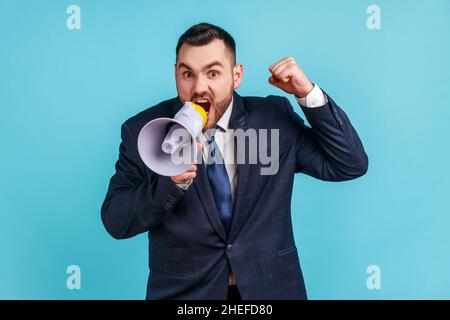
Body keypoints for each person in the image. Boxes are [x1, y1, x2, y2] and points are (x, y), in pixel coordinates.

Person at [101, 22, 368, 300]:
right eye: (187, 74)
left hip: (271, 290)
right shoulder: (144, 129)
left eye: (213, 73)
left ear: (236, 75)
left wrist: (306, 93)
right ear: (175, 74)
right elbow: (116, 222)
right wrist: (168, 183)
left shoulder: (272, 118)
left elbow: (349, 163)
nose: (199, 88)